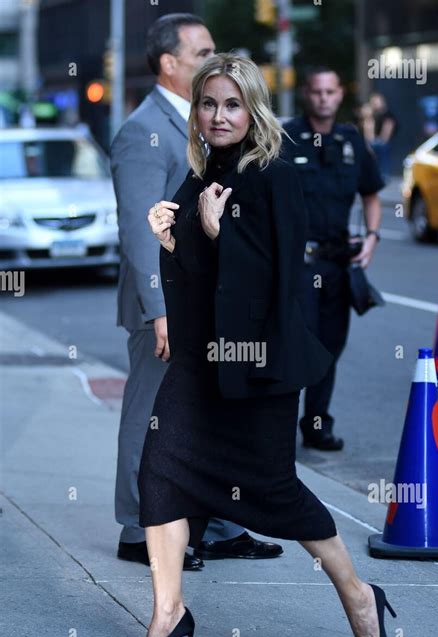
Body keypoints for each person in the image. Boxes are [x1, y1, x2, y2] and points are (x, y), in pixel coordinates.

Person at [115, 54, 396, 637]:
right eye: (208, 104)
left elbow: (281, 277)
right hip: (199, 363)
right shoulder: (201, 169)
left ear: (254, 109)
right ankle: (168, 613)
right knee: (159, 472)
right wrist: (174, 240)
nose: (219, 116)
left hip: (258, 364)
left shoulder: (275, 172)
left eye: (232, 104)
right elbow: (198, 282)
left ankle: (358, 595)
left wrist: (213, 236)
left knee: (276, 492)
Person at [111, 14, 282, 573]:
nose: (215, 56)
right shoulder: (144, 129)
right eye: (203, 50)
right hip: (165, 308)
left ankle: (223, 525)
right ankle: (139, 531)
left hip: (203, 304)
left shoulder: (198, 125)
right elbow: (141, 229)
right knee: (150, 416)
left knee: (210, 413)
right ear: (169, 63)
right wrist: (160, 312)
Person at [283, 67, 384, 451]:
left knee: (329, 346)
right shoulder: (287, 136)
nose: (324, 98)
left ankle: (316, 424)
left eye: (330, 91)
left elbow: (372, 192)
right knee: (298, 344)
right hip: (298, 263)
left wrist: (372, 237)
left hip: (338, 262)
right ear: (307, 93)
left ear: (340, 94)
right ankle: (279, 428)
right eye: (317, 91)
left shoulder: (351, 139)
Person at [368, 92, 397, 180]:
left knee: (383, 159)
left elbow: (388, 127)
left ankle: (384, 175)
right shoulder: (372, 114)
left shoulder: (387, 114)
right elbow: (369, 127)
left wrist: (383, 140)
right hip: (374, 140)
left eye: (376, 101)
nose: (375, 103)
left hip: (382, 141)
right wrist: (371, 139)